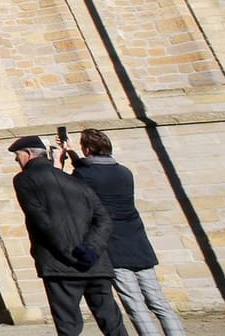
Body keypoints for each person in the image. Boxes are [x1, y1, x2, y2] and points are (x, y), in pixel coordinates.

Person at [67, 128, 188, 336]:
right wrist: (73, 155)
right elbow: (95, 171)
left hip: (113, 245)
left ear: (87, 149)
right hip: (138, 242)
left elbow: (79, 182)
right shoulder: (124, 172)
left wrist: (66, 157)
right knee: (159, 302)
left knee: (136, 305)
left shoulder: (84, 175)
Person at [11, 135, 128, 336]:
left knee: (69, 327)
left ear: (29, 154)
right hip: (94, 265)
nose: (16, 160)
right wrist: (90, 249)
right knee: (112, 324)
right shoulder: (77, 182)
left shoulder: (25, 179)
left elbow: (42, 221)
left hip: (61, 266)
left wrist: (70, 254)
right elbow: (104, 220)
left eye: (17, 156)